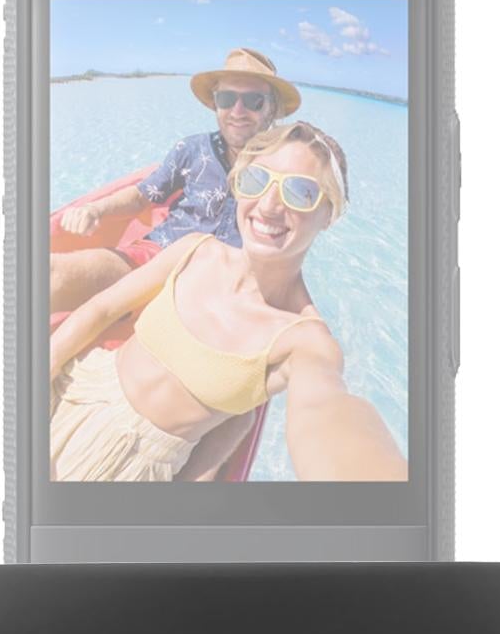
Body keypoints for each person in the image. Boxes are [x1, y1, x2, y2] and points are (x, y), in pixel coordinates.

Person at [48, 121, 408, 483]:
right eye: (256, 180)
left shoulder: (303, 339)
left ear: (329, 213)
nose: (268, 205)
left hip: (124, 464)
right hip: (73, 385)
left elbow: (325, 411)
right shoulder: (195, 251)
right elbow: (101, 310)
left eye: (300, 192)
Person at [49, 48, 301, 314]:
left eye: (253, 101)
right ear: (216, 104)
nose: (237, 111)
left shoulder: (284, 169)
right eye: (227, 98)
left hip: (228, 286)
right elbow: (141, 196)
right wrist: (95, 209)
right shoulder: (191, 149)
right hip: (157, 256)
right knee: (54, 274)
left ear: (271, 110)